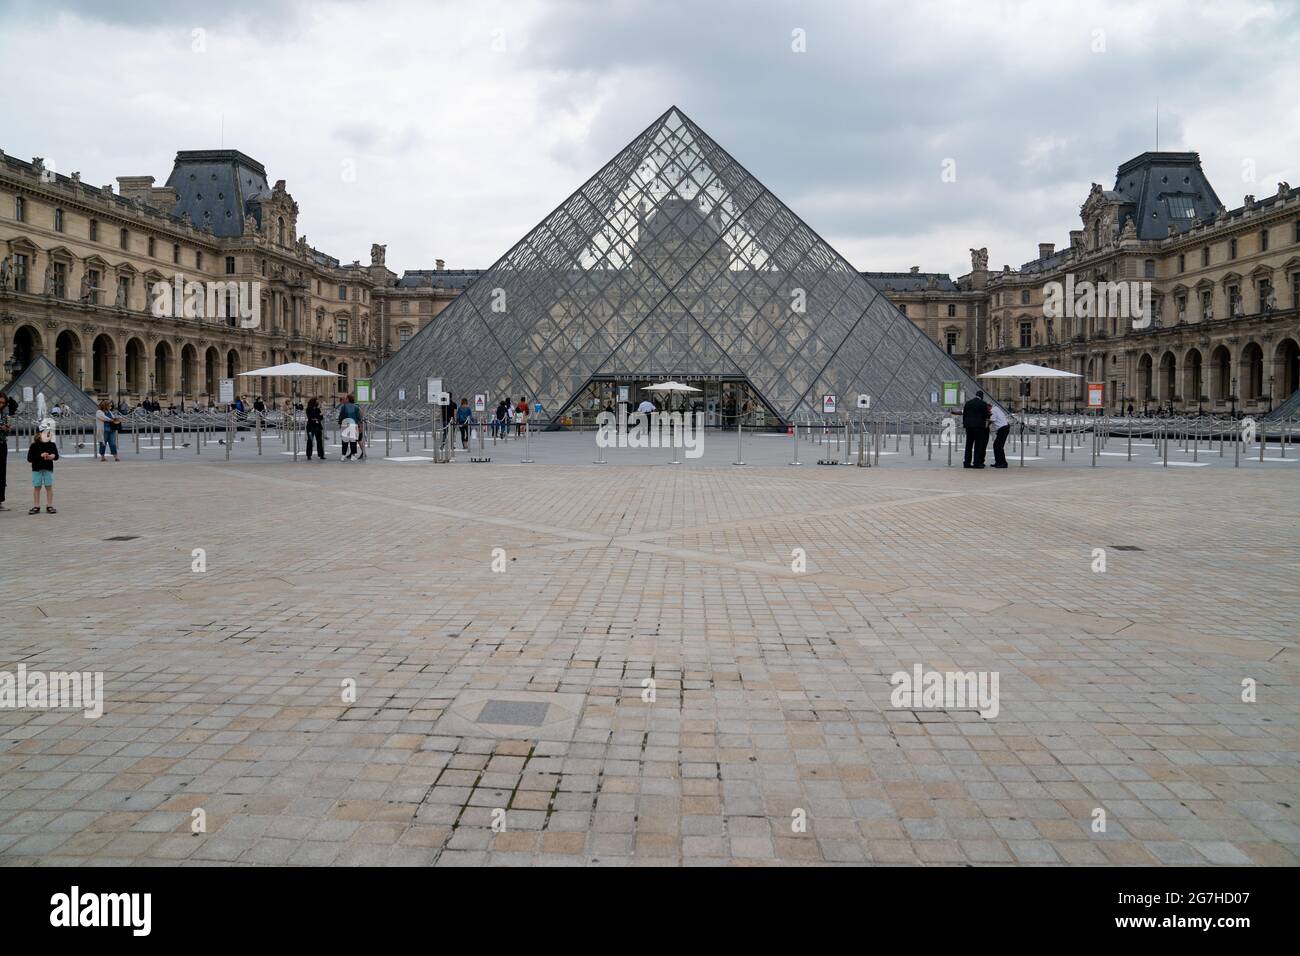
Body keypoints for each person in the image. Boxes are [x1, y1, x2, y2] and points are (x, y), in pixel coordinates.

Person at [27, 420, 58, 514]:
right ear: (39, 434)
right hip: (37, 469)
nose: (48, 435)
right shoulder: (34, 445)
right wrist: (40, 455)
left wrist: (52, 456)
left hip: (48, 468)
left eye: (49, 433)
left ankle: (49, 505)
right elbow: (29, 458)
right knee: (37, 487)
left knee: (49, 486)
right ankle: (36, 506)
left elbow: (56, 456)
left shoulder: (52, 445)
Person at [962, 389, 991, 468]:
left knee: (968, 444)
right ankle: (976, 463)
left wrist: (965, 424)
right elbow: (986, 416)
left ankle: (967, 463)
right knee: (978, 445)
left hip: (969, 426)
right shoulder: (983, 404)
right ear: (982, 396)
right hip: (979, 427)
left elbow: (964, 415)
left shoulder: (968, 403)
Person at [338, 393, 362, 460]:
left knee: (344, 440)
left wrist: (340, 424)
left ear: (348, 399)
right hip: (353, 425)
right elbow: (358, 418)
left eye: (346, 398)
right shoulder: (356, 407)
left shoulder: (343, 407)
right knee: (353, 441)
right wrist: (360, 426)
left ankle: (343, 455)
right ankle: (353, 456)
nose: (345, 399)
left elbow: (341, 416)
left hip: (345, 424)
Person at [990, 402, 1011, 468]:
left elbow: (993, 419)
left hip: (1003, 429)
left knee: (998, 446)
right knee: (996, 445)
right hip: (1004, 428)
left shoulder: (993, 410)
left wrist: (986, 422)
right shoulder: (997, 408)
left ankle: (1003, 463)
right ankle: (998, 462)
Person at [0, 391, 9, 512]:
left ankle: (0, 501)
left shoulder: (4, 415)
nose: (1, 405)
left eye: (3, 403)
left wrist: (6, 428)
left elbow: (7, 428)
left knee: (2, 473)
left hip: (2, 445)